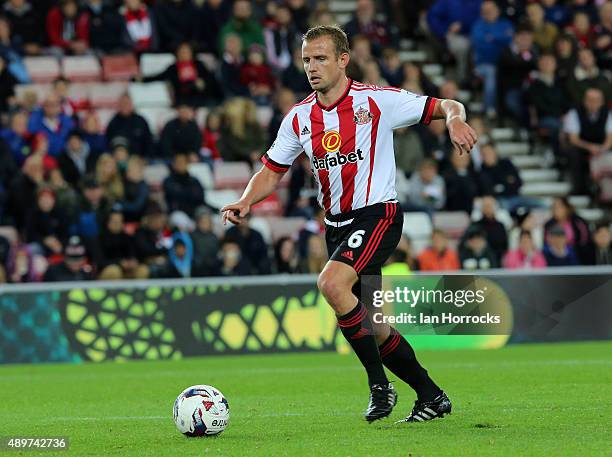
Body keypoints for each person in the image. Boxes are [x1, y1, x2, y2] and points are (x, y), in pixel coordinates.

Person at [221, 25, 477, 423]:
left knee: (331, 283)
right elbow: (271, 171)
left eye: (321, 58)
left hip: (378, 215)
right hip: (338, 225)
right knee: (375, 325)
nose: (312, 67)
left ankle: (380, 388)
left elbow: (447, 104)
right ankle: (431, 395)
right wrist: (244, 200)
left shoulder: (376, 102)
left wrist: (455, 120)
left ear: (343, 60)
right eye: (306, 59)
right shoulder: (300, 117)